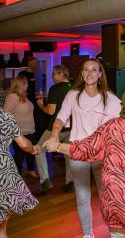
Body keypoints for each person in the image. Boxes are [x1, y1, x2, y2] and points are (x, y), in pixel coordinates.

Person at [43, 85, 125, 238]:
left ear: (123, 105)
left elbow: (84, 149)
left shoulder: (110, 128)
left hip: (116, 201)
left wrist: (58, 145)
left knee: (118, 234)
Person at [45, 58, 121, 238]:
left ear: (100, 74)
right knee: (82, 198)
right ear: (81, 73)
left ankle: (115, 232)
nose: (89, 73)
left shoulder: (110, 98)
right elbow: (61, 117)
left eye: (94, 70)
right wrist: (55, 133)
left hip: (102, 154)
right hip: (77, 152)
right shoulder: (73, 95)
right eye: (86, 70)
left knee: (107, 197)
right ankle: (88, 234)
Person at [0, 108, 39, 238]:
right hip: (3, 173)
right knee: (2, 223)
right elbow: (23, 144)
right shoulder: (4, 116)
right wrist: (33, 149)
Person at [35, 65, 73, 195]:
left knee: (38, 149)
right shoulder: (75, 88)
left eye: (54, 74)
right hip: (72, 128)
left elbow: (51, 111)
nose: (52, 76)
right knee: (69, 154)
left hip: (56, 128)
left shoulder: (55, 88)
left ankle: (45, 181)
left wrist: (41, 104)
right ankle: (70, 182)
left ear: (61, 74)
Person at [4, 75, 38, 178]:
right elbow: (6, 115)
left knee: (31, 152)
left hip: (30, 129)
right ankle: (17, 175)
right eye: (26, 83)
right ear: (21, 85)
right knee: (19, 155)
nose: (28, 85)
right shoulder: (12, 97)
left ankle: (30, 170)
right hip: (18, 131)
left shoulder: (24, 96)